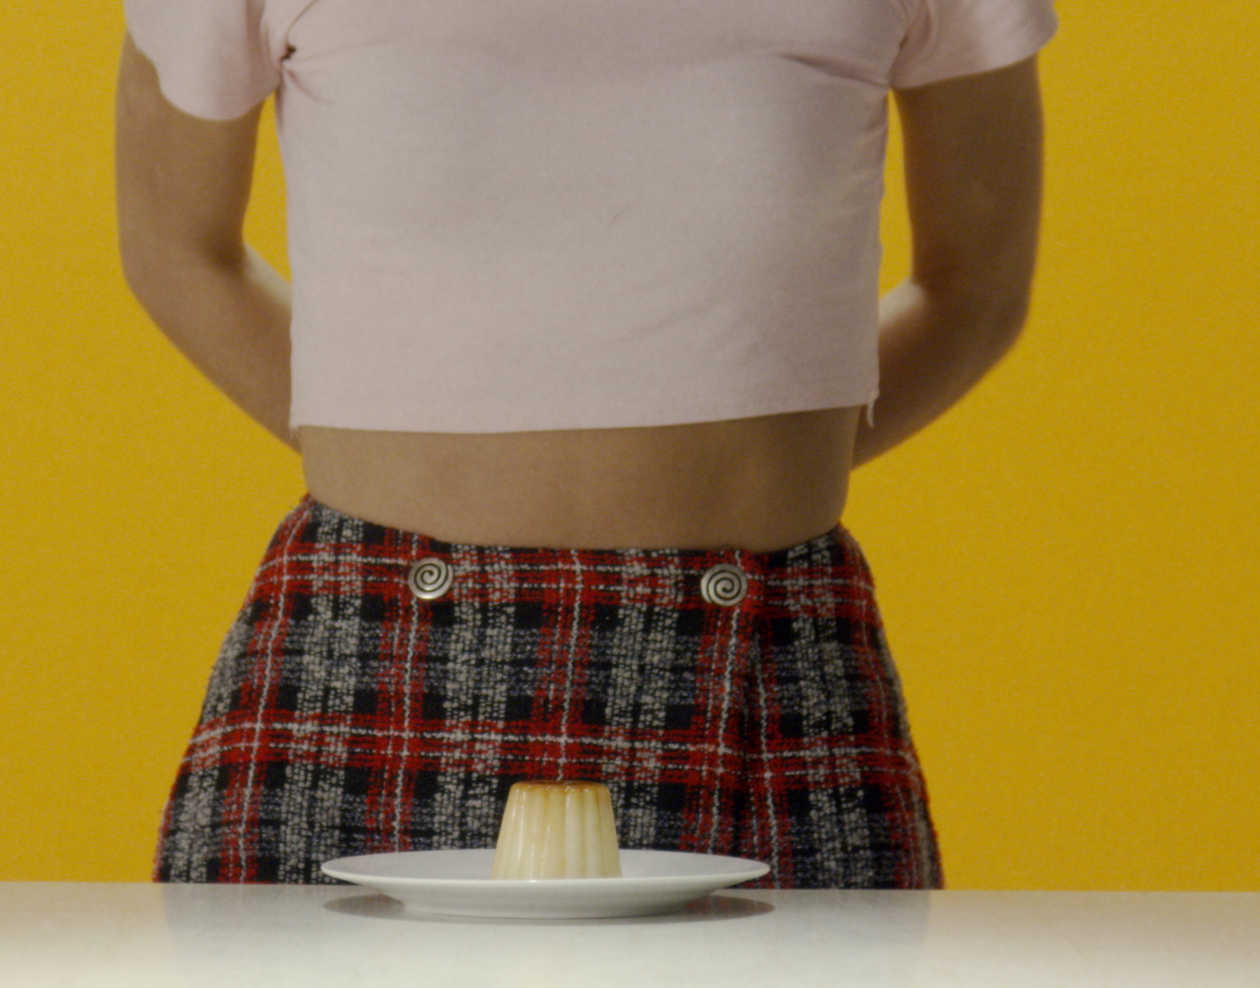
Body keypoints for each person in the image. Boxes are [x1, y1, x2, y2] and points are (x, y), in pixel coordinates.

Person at [116, 0, 1055, 888]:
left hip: (767, 664)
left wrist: (758, 461)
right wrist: (382, 440)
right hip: (363, 666)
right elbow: (174, 246)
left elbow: (974, 287)